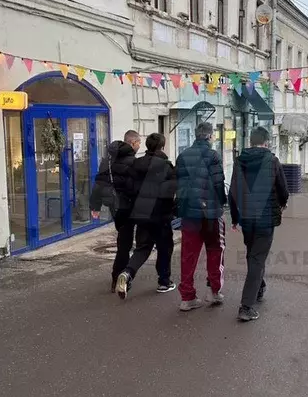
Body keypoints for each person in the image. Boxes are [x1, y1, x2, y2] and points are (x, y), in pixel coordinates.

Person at [229, 126, 289, 322]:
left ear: (251, 141)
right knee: (256, 258)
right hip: (265, 219)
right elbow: (282, 188)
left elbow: (233, 191)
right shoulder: (271, 161)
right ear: (266, 142)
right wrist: (283, 203)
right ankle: (246, 306)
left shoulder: (240, 161)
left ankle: (259, 286)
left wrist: (235, 217)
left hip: (247, 217)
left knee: (253, 254)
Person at [114, 133, 177, 299]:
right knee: (165, 248)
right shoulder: (166, 166)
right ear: (162, 147)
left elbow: (129, 189)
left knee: (143, 248)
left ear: (147, 146)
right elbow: (171, 193)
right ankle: (164, 281)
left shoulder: (136, 164)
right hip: (161, 217)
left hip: (141, 214)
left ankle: (127, 273)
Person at [176, 122, 226, 311]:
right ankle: (214, 292)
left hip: (189, 213)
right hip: (211, 214)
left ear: (196, 136)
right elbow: (218, 182)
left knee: (188, 255)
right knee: (215, 251)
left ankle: (187, 298)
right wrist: (222, 203)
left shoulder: (182, 155)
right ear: (210, 136)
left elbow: (178, 184)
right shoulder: (213, 155)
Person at [90, 130, 141, 292]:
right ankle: (121, 276)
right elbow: (136, 187)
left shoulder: (107, 160)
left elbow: (98, 183)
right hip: (129, 206)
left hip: (114, 205)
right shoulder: (133, 162)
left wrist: (95, 206)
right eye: (139, 143)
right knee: (128, 243)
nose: (139, 146)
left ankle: (118, 277)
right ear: (132, 143)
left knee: (124, 241)